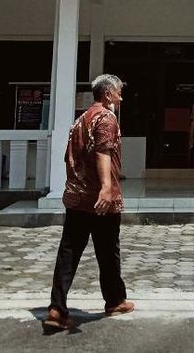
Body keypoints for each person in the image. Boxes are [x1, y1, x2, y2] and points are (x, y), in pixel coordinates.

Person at [45, 74, 134, 331]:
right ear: (107, 94)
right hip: (99, 199)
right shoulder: (106, 118)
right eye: (117, 92)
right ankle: (115, 301)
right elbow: (103, 152)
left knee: (69, 252)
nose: (120, 97)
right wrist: (106, 187)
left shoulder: (80, 120)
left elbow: (70, 157)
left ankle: (57, 307)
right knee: (108, 251)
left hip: (77, 197)